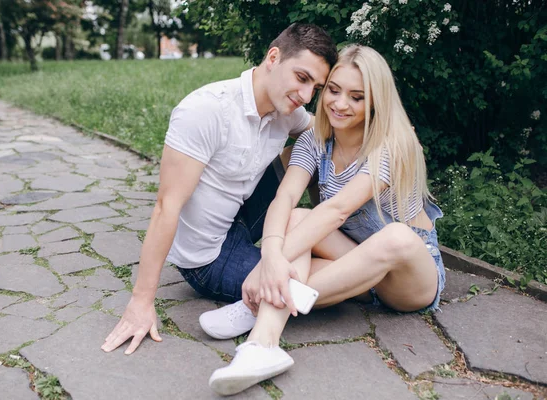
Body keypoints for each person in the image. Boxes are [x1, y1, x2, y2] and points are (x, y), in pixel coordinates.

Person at [203, 44, 446, 396]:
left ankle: (259, 306)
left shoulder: (391, 144)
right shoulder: (317, 140)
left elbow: (338, 210)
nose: (340, 104)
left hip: (409, 277)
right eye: (333, 90)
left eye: (357, 97)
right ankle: (263, 345)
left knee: (397, 237)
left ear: (376, 101)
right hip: (354, 265)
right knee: (299, 215)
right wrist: (269, 259)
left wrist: (266, 272)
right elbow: (285, 198)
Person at [100, 24, 338, 355]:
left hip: (243, 214)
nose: (307, 95)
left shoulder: (288, 110)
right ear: (273, 57)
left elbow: (326, 132)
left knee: (308, 148)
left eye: (316, 86)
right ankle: (346, 269)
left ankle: (322, 238)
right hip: (208, 257)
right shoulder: (206, 110)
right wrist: (141, 302)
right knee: (302, 288)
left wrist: (381, 131)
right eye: (302, 78)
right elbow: (166, 207)